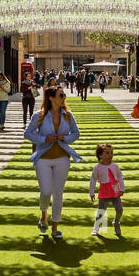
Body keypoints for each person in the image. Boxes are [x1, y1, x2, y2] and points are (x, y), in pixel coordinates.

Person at [24, 84, 81, 243]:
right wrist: (43, 139)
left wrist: (65, 138)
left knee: (58, 193)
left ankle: (55, 227)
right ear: (51, 98)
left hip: (62, 157)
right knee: (46, 191)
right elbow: (27, 133)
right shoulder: (39, 116)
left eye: (64, 95)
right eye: (61, 95)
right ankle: (43, 214)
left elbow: (76, 133)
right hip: (43, 157)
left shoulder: (68, 115)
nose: (64, 98)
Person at [89, 141, 125, 239]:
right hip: (104, 192)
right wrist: (91, 192)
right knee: (101, 211)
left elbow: (120, 177)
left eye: (111, 153)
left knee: (120, 209)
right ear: (100, 155)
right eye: (107, 153)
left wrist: (122, 188)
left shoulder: (115, 166)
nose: (110, 155)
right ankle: (96, 228)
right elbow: (93, 180)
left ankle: (116, 222)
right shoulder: (97, 167)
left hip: (115, 192)